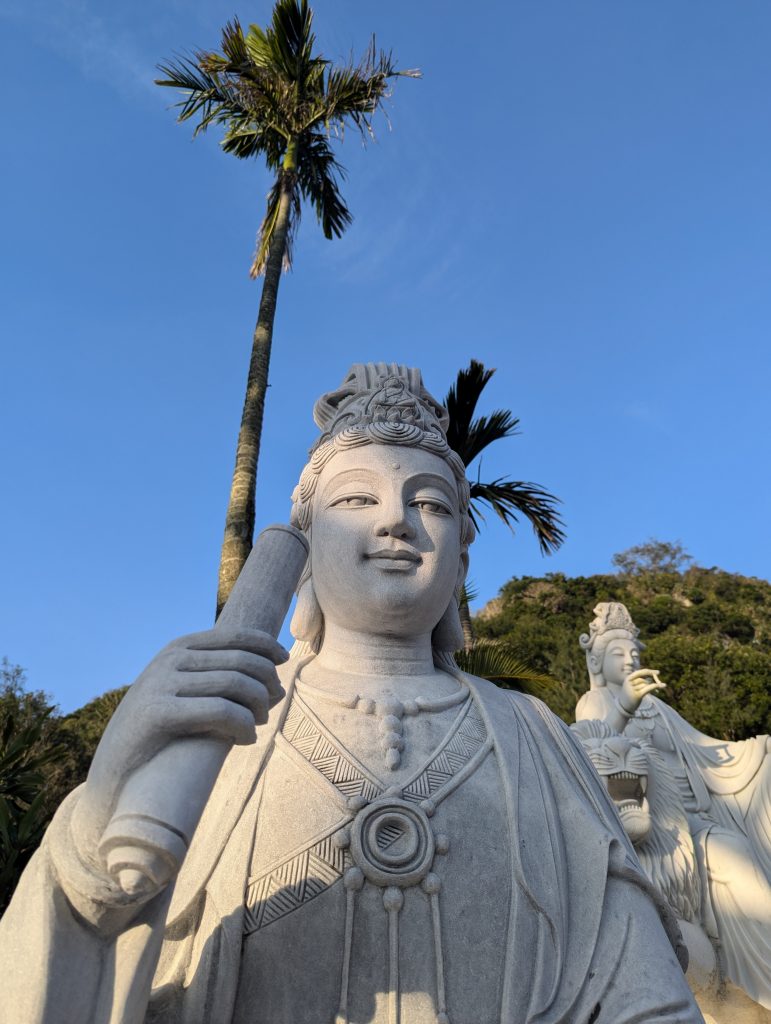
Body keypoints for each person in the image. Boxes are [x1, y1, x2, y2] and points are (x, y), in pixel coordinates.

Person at [0, 365, 702, 1024]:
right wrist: (106, 802)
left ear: (460, 555)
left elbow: (638, 990)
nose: (395, 520)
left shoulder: (534, 736)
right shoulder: (218, 721)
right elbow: (90, 934)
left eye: (428, 502)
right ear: (304, 546)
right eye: (356, 499)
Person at [576, 601, 771, 1009]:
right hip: (656, 824)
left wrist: (757, 752)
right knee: (738, 866)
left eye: (634, 653)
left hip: (692, 818)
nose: (630, 659)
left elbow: (707, 753)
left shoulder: (659, 708)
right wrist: (624, 705)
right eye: (618, 654)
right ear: (597, 662)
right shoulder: (593, 704)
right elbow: (592, 749)